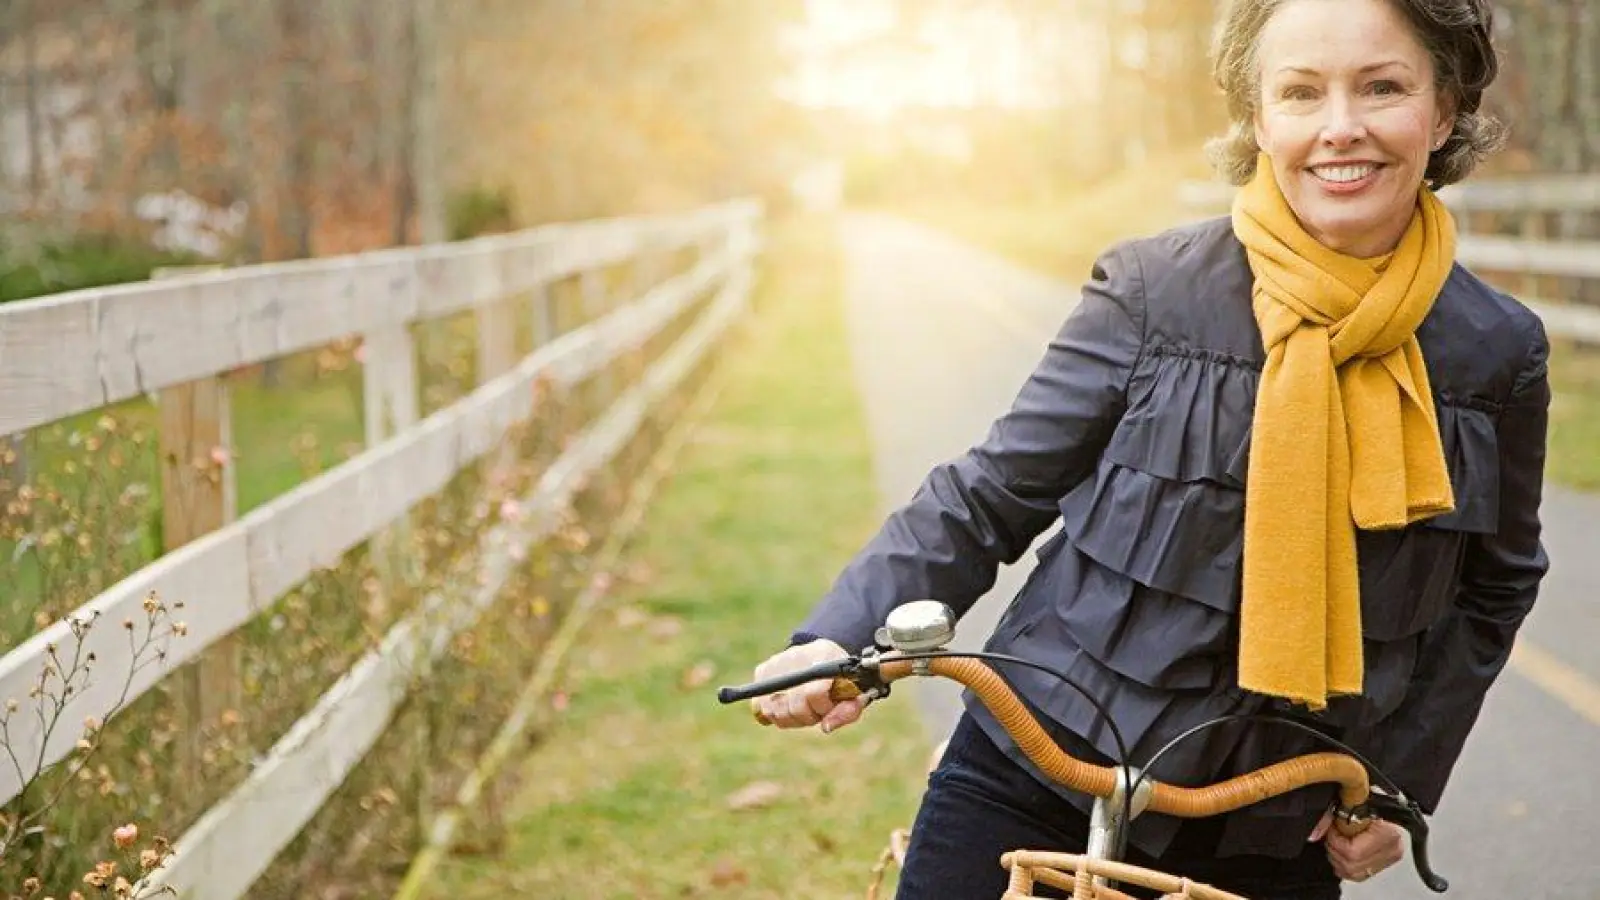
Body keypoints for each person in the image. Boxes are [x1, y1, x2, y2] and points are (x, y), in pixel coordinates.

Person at [748, 0, 1549, 898]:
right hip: (1040, 772)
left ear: (1443, 112)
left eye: (1382, 87)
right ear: (1257, 117)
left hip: (1277, 820)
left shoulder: (1496, 354)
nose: (1340, 128)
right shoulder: (1150, 291)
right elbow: (994, 491)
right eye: (1299, 92)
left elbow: (1493, 587)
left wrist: (1393, 787)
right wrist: (840, 636)